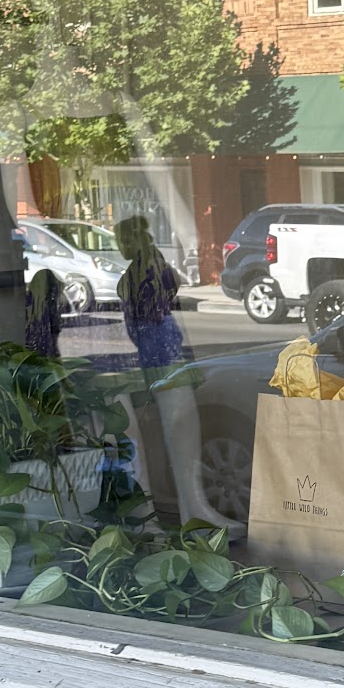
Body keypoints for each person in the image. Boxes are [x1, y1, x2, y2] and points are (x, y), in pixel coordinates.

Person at [117, 215, 239, 535]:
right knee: (138, 431)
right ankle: (157, 514)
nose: (122, 246)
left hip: (161, 349)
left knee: (173, 425)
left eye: (125, 239)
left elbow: (164, 292)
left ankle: (191, 510)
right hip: (147, 350)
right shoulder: (142, 268)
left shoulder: (148, 266)